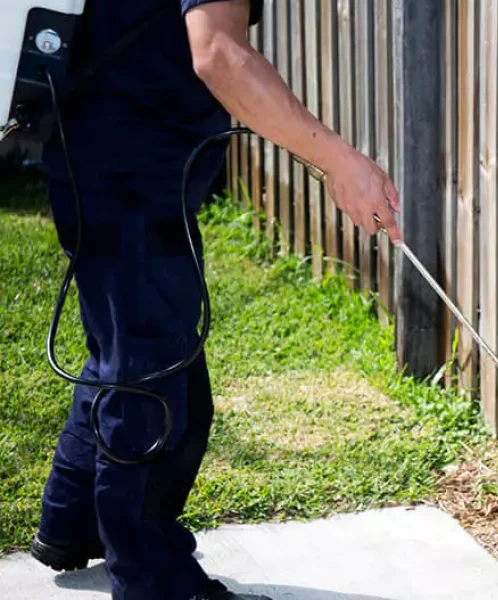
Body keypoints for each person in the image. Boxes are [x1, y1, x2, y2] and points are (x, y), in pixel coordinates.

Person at [30, 1, 402, 599]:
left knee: (126, 347)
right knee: (155, 381)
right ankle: (154, 580)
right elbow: (220, 56)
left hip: (92, 146)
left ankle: (71, 523)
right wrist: (339, 161)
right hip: (131, 171)